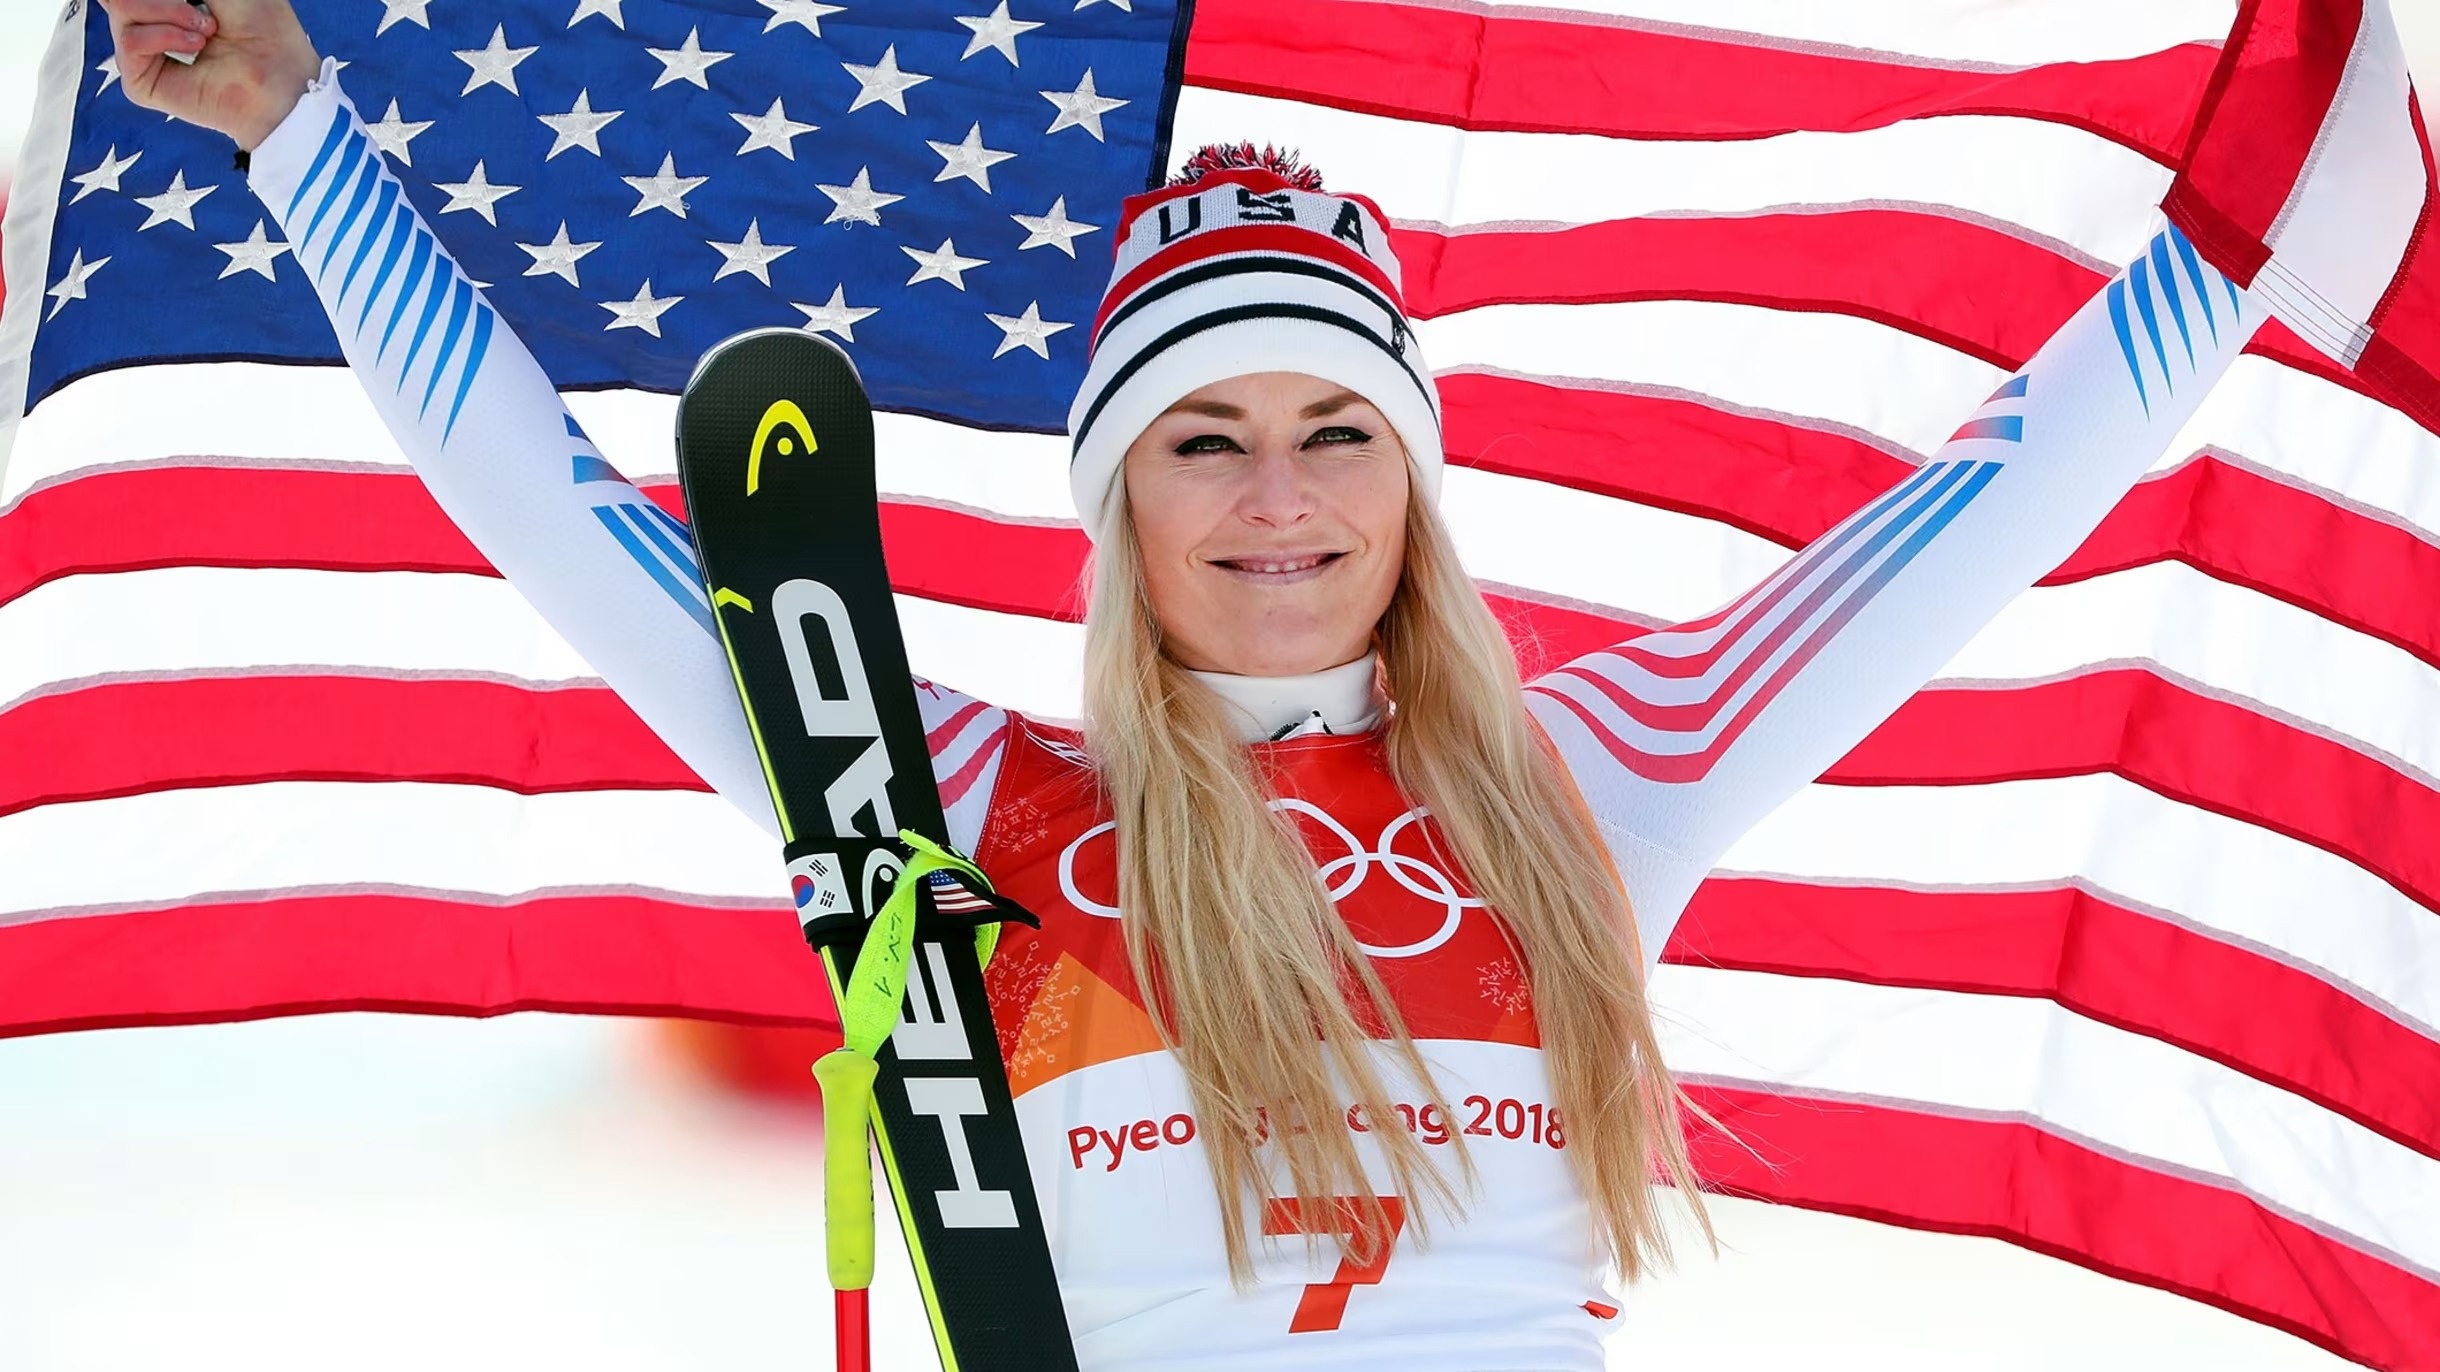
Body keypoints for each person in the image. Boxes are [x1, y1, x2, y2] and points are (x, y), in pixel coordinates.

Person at [100, 1, 2322, 1367]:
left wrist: (2269, 208)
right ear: (1119, 501)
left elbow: (1993, 498)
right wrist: (292, 128)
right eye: (1205, 440)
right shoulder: (950, 800)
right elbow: (557, 510)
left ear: (1411, 482)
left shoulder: (1589, 783)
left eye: (1335, 429)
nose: (1279, 498)